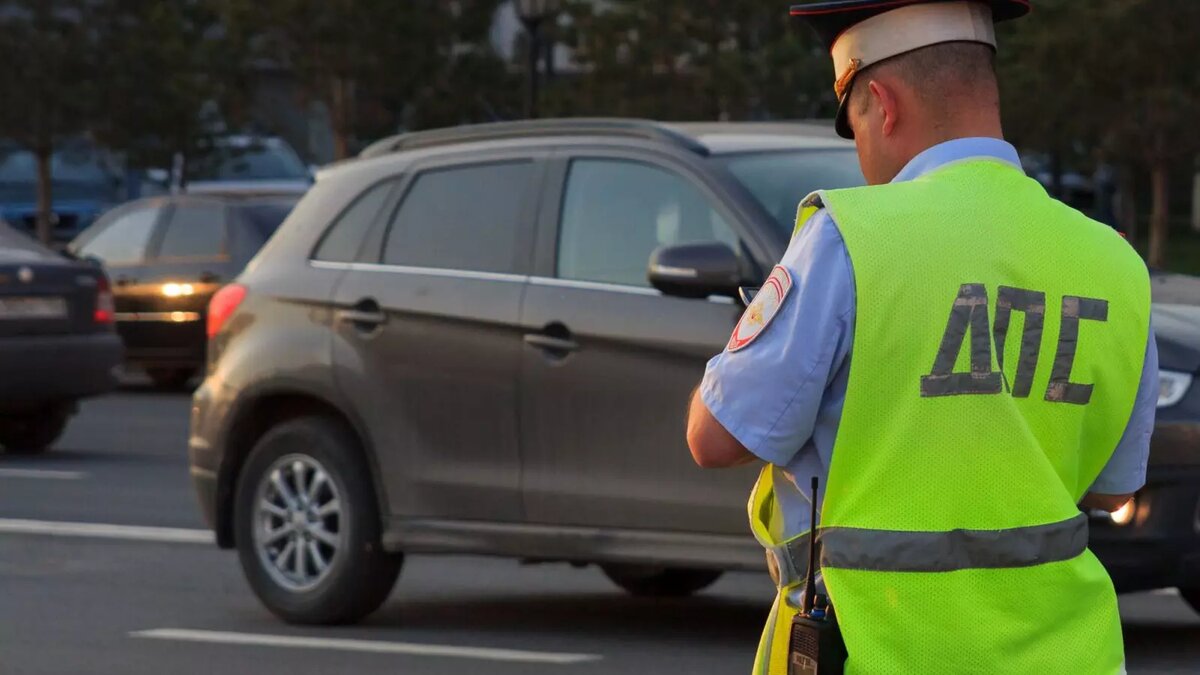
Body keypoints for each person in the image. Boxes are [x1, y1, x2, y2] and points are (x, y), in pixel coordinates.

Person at [685, 1, 1157, 673]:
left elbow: (715, 435)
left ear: (881, 101)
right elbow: (1113, 489)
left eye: (855, 128)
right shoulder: (1115, 263)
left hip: (879, 647)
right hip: (1069, 653)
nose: (862, 156)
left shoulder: (851, 237)